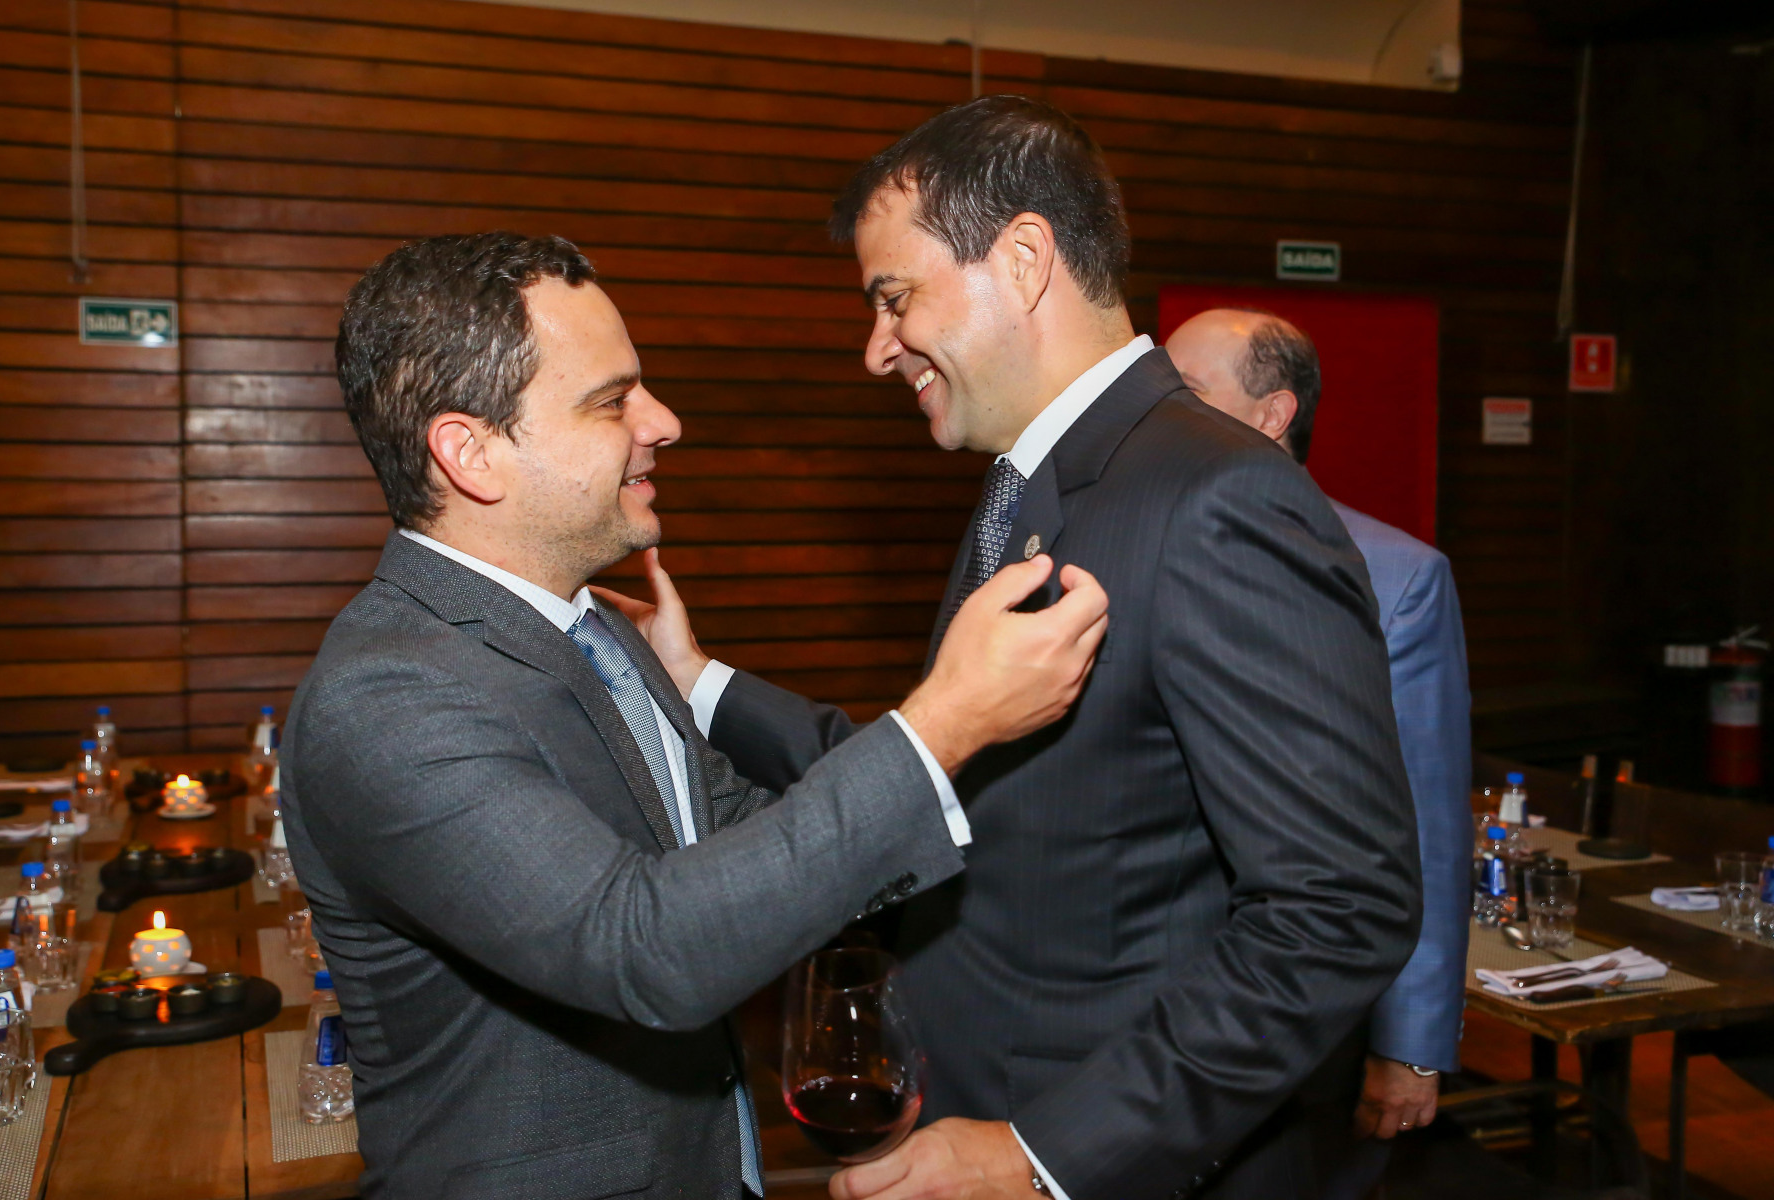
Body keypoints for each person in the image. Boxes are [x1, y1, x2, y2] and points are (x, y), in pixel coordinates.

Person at [612, 97, 1421, 1200]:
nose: (876, 349)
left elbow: (1339, 911)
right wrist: (694, 680)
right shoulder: (1030, 483)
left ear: (1025, 259)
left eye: (894, 298)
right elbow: (957, 776)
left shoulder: (1216, 495)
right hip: (971, 1104)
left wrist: (1042, 1158)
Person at [278, 232, 1110, 1199]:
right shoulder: (385, 696)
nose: (663, 422)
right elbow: (646, 950)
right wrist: (941, 724)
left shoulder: (594, 627)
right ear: (472, 454)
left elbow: (736, 841)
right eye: (612, 401)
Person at [1166, 308, 1473, 1197]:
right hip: (1150, 1005)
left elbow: (1424, 824)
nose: (1158, 414)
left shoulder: (1397, 576)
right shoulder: (1128, 540)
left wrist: (1409, 1045)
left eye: (1186, 393)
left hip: (1310, 1010)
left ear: (1272, 414)